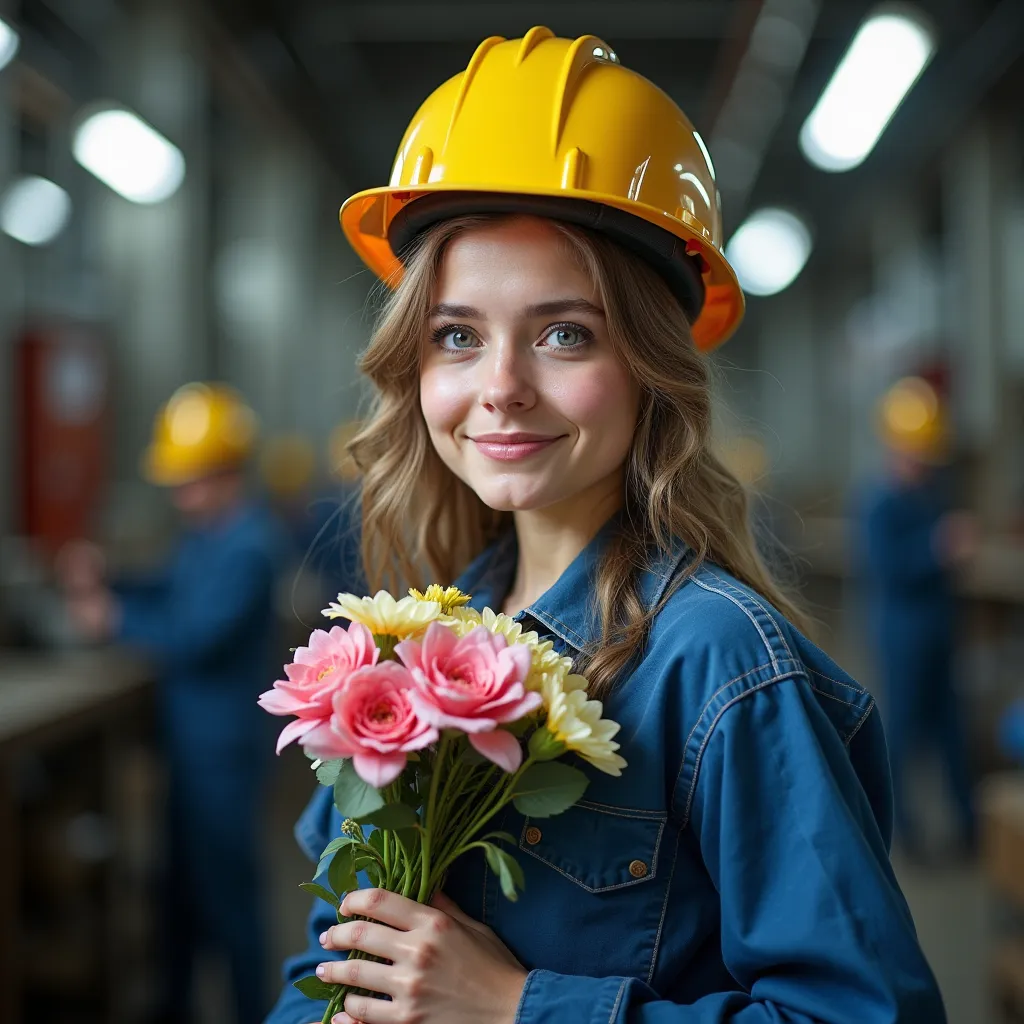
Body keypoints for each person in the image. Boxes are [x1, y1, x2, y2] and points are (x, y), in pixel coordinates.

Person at [268, 28, 945, 1024]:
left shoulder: (723, 667)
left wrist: (517, 1008)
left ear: (650, 367)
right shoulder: (411, 645)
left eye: (563, 333)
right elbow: (335, 965)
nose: (499, 387)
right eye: (456, 334)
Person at [59, 382, 283, 1024]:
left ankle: (250, 1011)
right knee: (177, 897)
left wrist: (113, 619)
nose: (179, 493)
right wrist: (111, 580)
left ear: (222, 472)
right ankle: (172, 1006)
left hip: (221, 758)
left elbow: (194, 638)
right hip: (187, 753)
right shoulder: (206, 535)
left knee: (230, 903)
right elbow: (167, 585)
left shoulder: (250, 546)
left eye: (188, 479)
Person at [859, 376, 977, 860]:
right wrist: (938, 548)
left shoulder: (933, 493)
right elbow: (888, 567)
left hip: (938, 631)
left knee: (953, 732)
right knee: (903, 737)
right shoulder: (878, 501)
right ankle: (904, 833)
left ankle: (970, 829)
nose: (920, 461)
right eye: (914, 451)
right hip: (902, 635)